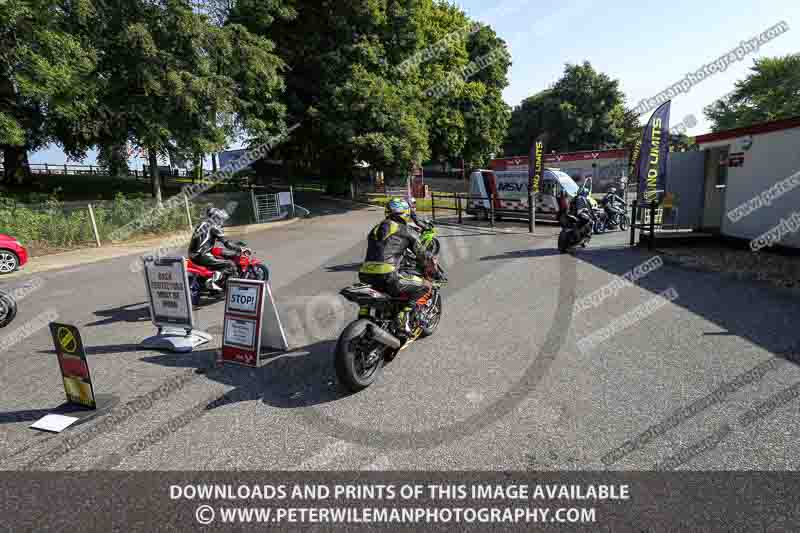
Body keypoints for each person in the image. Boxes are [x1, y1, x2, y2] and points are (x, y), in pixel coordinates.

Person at [359, 198, 435, 339]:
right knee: (426, 286)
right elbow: (422, 255)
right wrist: (431, 266)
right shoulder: (406, 230)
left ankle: (364, 314)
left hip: (365, 273)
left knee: (376, 290)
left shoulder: (375, 229)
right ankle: (403, 317)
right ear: (405, 213)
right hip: (388, 275)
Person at [188, 207, 244, 291]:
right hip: (203, 256)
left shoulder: (202, 224)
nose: (221, 221)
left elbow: (208, 238)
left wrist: (235, 243)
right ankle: (213, 281)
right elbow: (227, 244)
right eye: (220, 218)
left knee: (218, 258)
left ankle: (211, 281)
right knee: (230, 264)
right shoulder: (214, 227)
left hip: (192, 255)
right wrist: (239, 248)